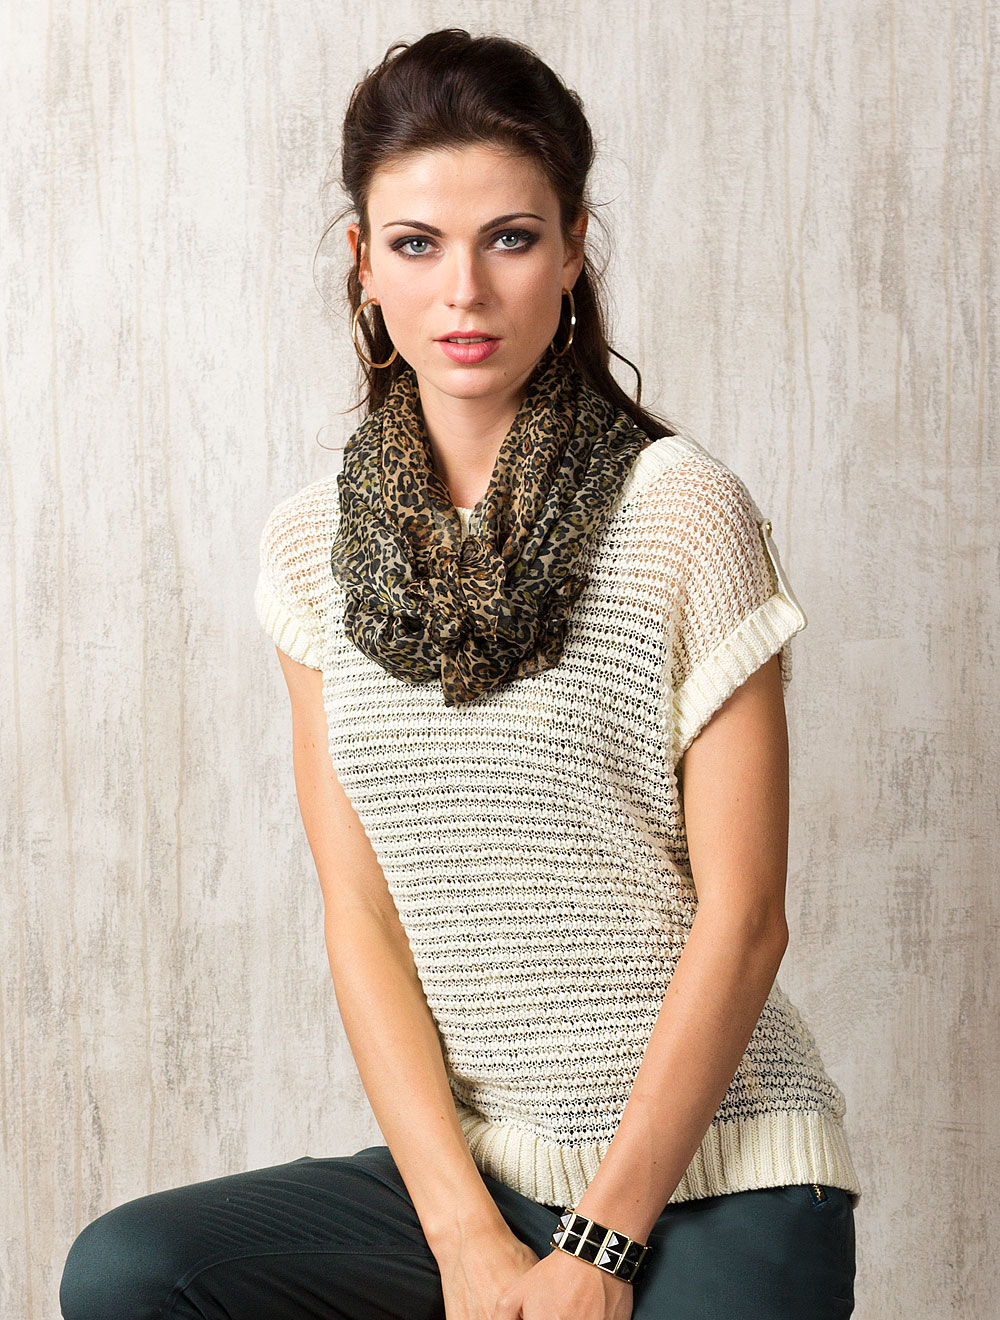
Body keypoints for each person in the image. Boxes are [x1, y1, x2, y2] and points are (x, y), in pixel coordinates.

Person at [60, 27, 862, 1320]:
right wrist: (464, 1238)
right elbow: (361, 915)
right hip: (480, 1180)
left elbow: (747, 916)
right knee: (135, 1274)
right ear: (363, 262)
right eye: (419, 244)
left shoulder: (683, 515)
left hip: (718, 1177)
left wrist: (600, 1248)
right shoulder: (311, 551)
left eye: (512, 238)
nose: (465, 294)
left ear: (574, 247)